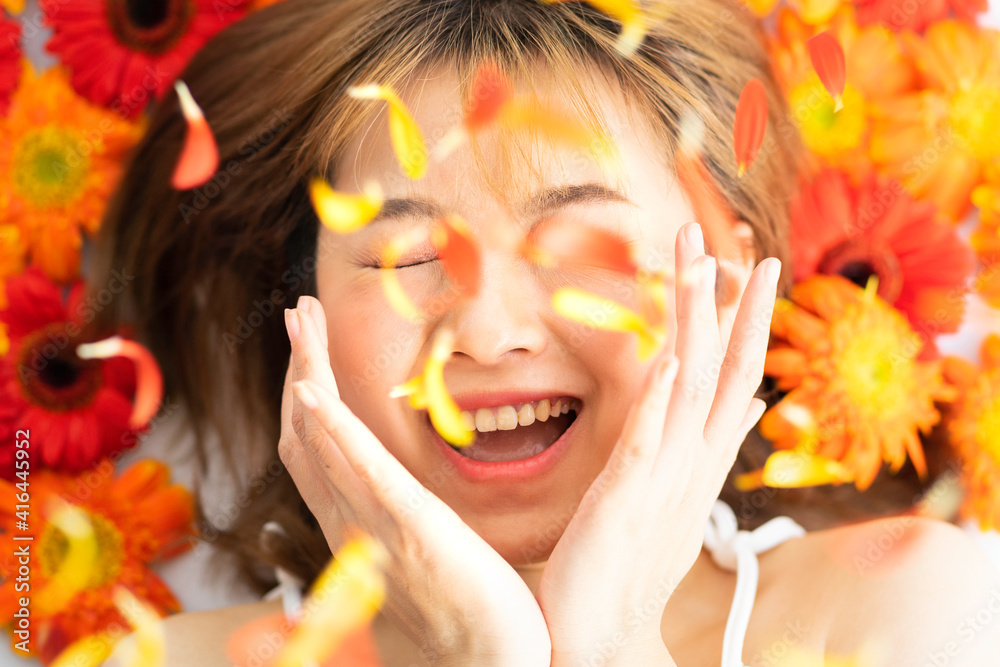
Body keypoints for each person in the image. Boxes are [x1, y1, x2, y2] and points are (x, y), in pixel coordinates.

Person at [91, 0, 1000, 665]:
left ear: (724, 283)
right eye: (408, 256)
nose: (485, 332)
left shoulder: (907, 614)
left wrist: (609, 641)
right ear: (302, 313)